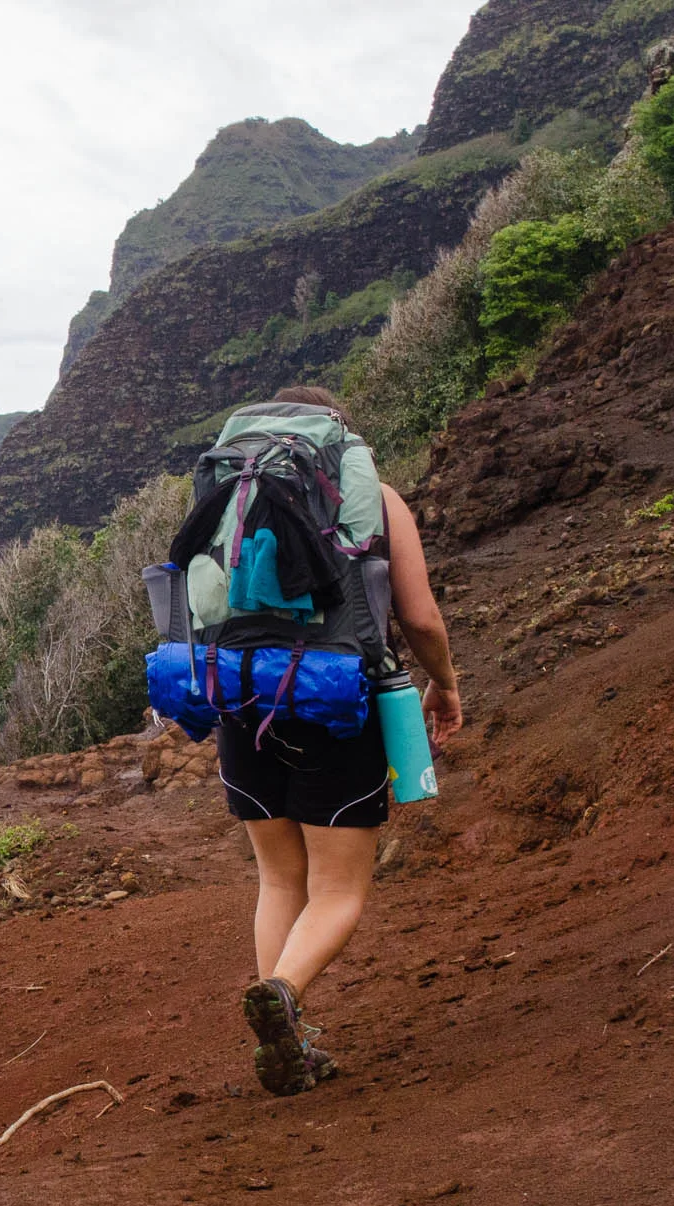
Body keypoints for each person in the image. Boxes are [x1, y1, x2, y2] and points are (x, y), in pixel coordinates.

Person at [220, 385, 462, 1095]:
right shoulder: (377, 498)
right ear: (339, 440)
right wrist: (444, 684)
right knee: (336, 887)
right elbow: (419, 617)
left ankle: (287, 1031)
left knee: (278, 877)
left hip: (241, 697)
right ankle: (285, 995)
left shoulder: (238, 492)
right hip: (335, 702)